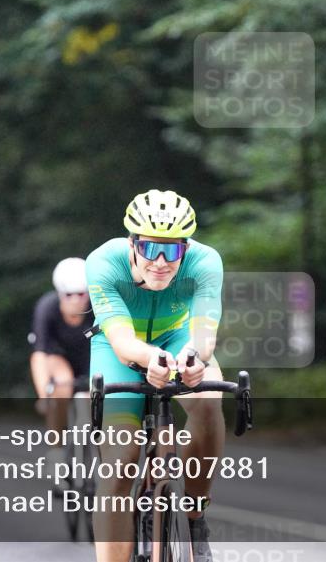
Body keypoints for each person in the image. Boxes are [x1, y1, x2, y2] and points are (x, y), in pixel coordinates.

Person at [86, 189, 223, 562]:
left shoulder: (206, 262)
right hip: (118, 351)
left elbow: (204, 334)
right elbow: (122, 341)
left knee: (210, 401)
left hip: (179, 338)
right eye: (149, 249)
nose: (161, 261)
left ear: (186, 246)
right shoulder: (103, 262)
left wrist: (193, 358)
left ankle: (195, 518)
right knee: (119, 463)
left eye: (173, 250)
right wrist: (152, 359)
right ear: (132, 244)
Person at [29, 257, 94, 436]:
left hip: (90, 356)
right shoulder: (47, 308)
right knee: (61, 388)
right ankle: (56, 448)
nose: (75, 300)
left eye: (81, 294)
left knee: (94, 397)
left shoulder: (98, 307)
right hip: (59, 357)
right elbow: (39, 354)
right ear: (59, 294)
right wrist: (44, 395)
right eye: (68, 295)